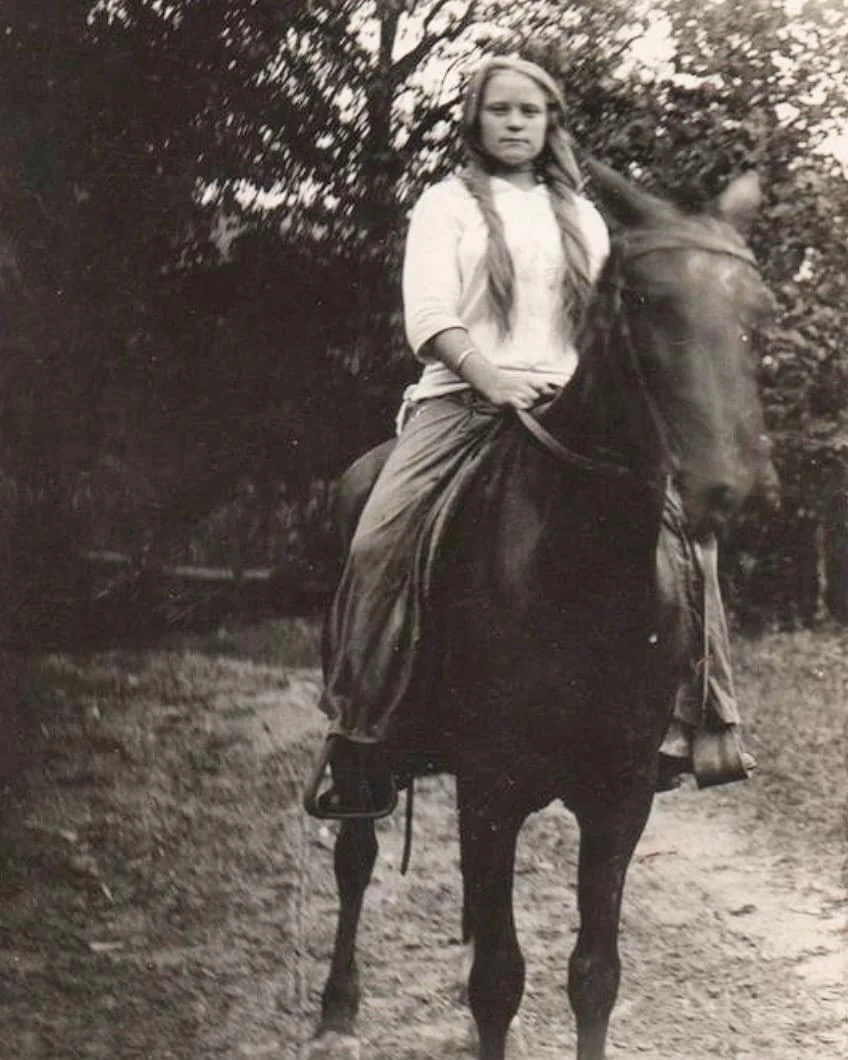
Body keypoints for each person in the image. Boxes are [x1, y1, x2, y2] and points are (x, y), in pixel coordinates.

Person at [303, 55, 751, 820]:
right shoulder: (445, 205)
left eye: (530, 112)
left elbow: (613, 322)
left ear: (551, 125)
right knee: (380, 542)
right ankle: (362, 740)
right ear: (475, 121)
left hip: (566, 408)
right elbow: (430, 315)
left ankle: (698, 726)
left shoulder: (579, 214)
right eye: (500, 110)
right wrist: (491, 377)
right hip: (463, 402)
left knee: (687, 541)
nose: (515, 124)